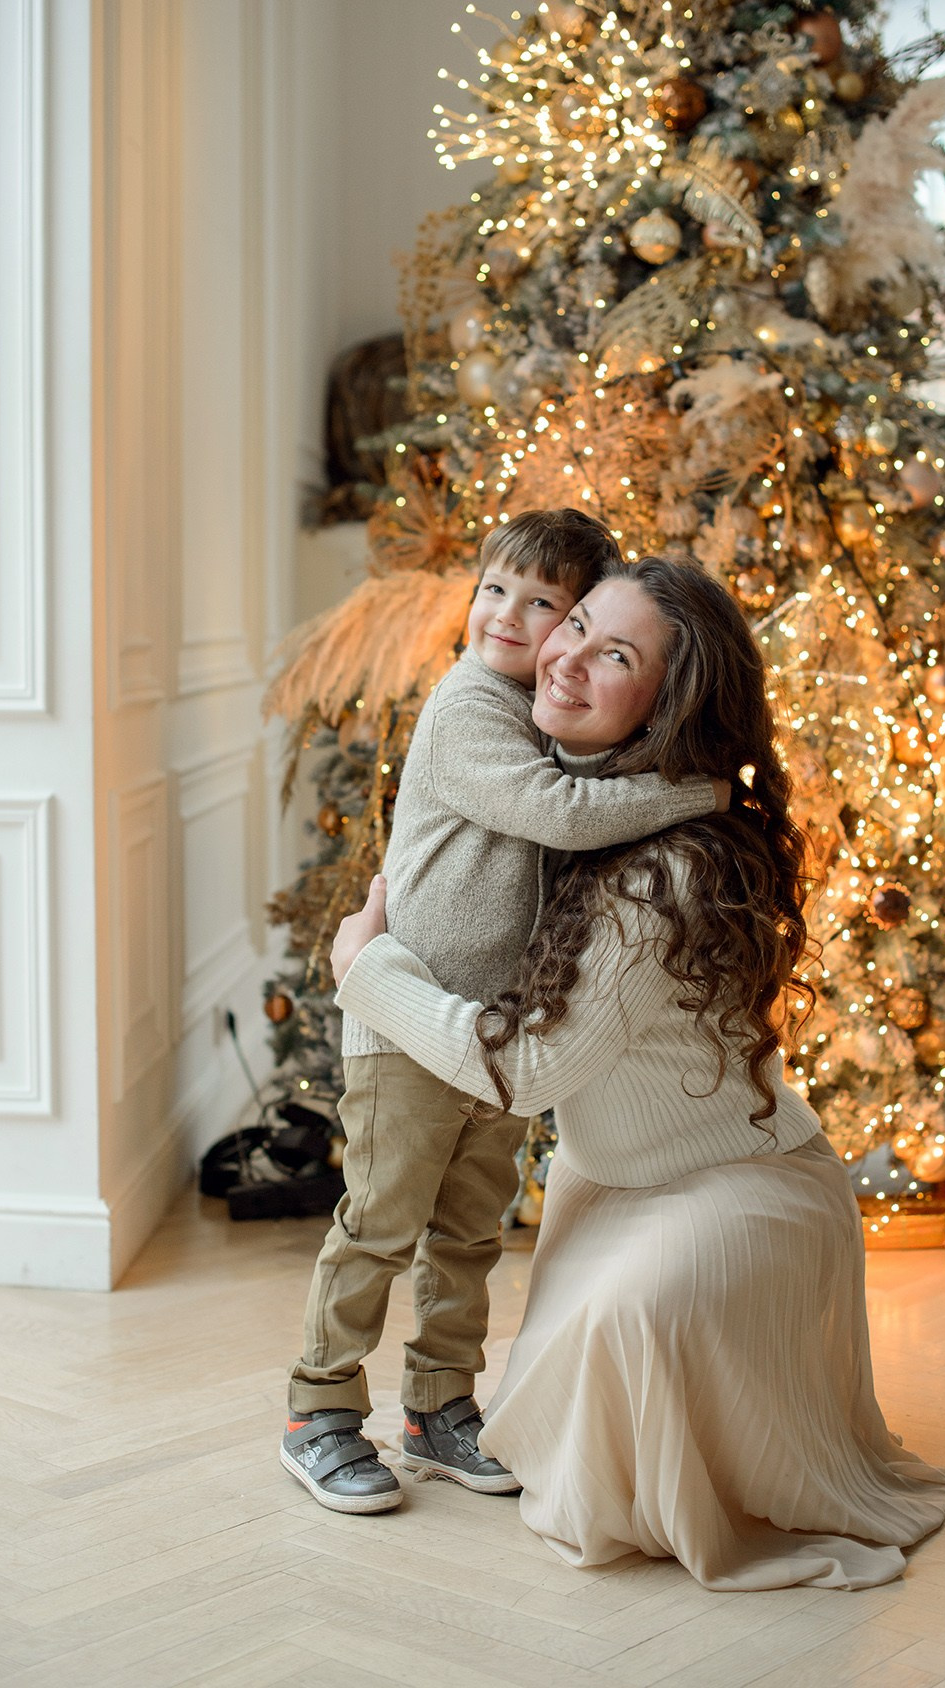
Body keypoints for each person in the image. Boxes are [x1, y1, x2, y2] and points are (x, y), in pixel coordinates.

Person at [331, 555, 945, 1590]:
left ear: (668, 704)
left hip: (738, 1191)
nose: (562, 656)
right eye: (572, 623)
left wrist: (370, 970)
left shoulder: (662, 863)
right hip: (612, 1191)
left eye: (613, 654)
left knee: (623, 1366)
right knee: (559, 1431)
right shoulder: (565, 804)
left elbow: (527, 1070)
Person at [281, 513, 727, 1516]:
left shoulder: (545, 706)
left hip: (493, 1033)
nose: (511, 619)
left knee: (468, 1232)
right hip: (405, 1021)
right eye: (496, 590)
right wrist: (698, 794)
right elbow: (558, 815)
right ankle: (319, 1411)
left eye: (546, 607)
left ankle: (438, 1407)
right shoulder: (469, 703)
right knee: (379, 1224)